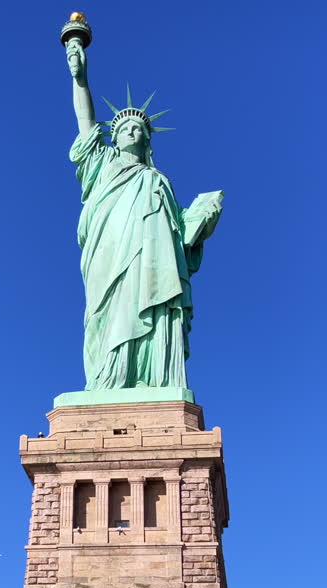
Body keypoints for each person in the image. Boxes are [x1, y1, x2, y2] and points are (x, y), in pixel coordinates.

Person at [63, 34, 223, 391]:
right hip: (110, 255)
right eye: (123, 128)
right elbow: (85, 122)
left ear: (147, 140)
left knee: (155, 300)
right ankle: (110, 380)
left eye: (139, 128)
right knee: (110, 314)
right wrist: (80, 78)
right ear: (114, 138)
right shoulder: (101, 164)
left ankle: (154, 378)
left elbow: (180, 237)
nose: (132, 130)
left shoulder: (159, 181)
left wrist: (200, 222)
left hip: (153, 261)